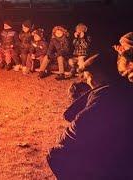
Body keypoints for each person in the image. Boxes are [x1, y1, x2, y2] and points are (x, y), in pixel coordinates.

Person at [47, 48, 133, 179]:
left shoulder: (106, 96)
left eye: (87, 77)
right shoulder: (123, 86)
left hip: (118, 160)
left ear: (96, 76)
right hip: (122, 151)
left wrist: (61, 140)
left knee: (56, 154)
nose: (87, 81)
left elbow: (78, 127)